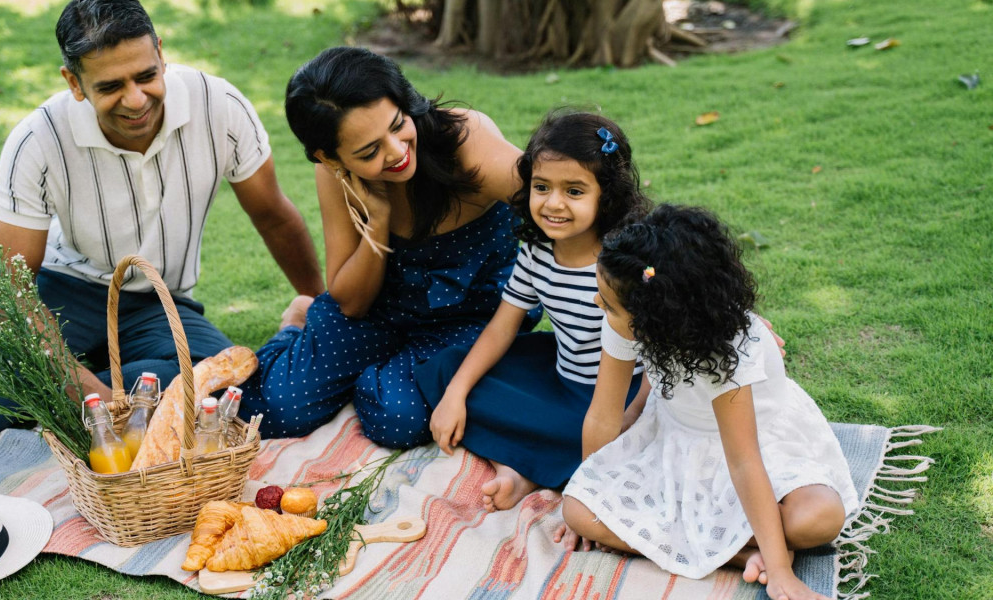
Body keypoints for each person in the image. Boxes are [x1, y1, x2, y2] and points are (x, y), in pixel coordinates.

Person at [0, 0, 323, 448]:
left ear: (161, 52)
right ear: (73, 82)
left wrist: (322, 309)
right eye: (110, 85)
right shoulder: (37, 141)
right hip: (57, 293)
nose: (136, 99)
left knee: (224, 394)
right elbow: (12, 290)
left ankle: (51, 383)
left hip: (157, 301)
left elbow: (273, 215)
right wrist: (92, 397)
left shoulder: (220, 105)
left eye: (146, 75)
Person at [236, 46, 536, 448]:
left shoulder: (465, 140)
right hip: (380, 309)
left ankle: (378, 370)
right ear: (330, 156)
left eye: (398, 125)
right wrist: (376, 223)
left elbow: (557, 208)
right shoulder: (334, 173)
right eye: (369, 151)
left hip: (471, 312)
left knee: (396, 419)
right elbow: (351, 302)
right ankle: (297, 324)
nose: (396, 151)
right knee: (274, 411)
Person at [561, 204, 858, 600]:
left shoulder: (728, 350)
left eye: (609, 304)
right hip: (676, 438)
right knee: (578, 511)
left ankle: (751, 547)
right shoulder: (619, 316)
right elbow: (602, 415)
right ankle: (740, 553)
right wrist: (591, 485)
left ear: (657, 317)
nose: (601, 307)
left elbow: (744, 459)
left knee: (819, 518)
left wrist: (783, 573)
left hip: (754, 446)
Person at [414, 112, 651, 512]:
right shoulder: (537, 250)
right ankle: (521, 467)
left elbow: (670, 339)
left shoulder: (629, 261)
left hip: (620, 398)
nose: (553, 204)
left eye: (574, 191)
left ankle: (526, 469)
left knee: (611, 441)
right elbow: (502, 328)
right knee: (448, 371)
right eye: (542, 187)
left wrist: (634, 415)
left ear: (605, 196)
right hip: (559, 376)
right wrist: (456, 393)